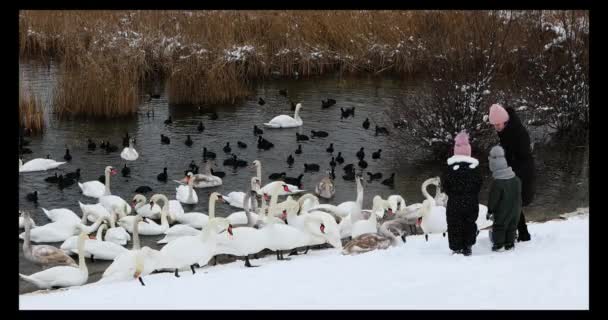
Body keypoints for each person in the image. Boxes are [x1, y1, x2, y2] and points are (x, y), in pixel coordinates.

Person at [488, 104, 535, 242]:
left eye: (498, 124)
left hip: (521, 172)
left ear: (505, 120)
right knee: (512, 202)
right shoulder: (507, 129)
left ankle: (520, 233)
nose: (496, 127)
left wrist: (511, 172)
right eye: (494, 125)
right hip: (511, 170)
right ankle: (521, 233)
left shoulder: (518, 133)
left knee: (513, 202)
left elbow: (523, 156)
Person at [441, 131, 483, 256]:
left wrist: (454, 194)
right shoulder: (475, 169)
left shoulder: (450, 169)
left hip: (454, 202)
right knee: (469, 222)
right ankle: (468, 246)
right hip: (471, 201)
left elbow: (446, 185)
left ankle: (456, 247)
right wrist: (471, 194)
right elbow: (479, 184)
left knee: (454, 223)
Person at [487, 145, 522, 251]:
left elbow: (493, 199)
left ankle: (499, 245)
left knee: (500, 226)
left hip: (502, 209)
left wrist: (490, 210)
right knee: (512, 225)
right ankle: (510, 243)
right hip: (516, 208)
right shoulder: (516, 179)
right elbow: (519, 194)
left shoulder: (497, 183)